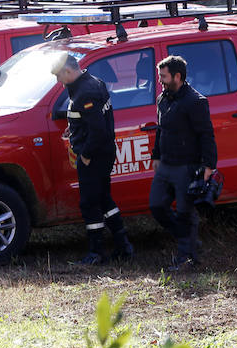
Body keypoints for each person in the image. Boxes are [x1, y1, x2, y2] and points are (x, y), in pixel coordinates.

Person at [51, 52, 133, 265]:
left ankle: (97, 252)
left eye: (59, 76)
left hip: (94, 155)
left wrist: (85, 154)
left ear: (68, 71)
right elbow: (91, 120)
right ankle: (123, 245)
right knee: (104, 198)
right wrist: (74, 128)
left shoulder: (84, 92)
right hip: (102, 152)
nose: (58, 81)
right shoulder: (93, 82)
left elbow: (98, 130)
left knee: (89, 202)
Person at [149, 55, 217, 271]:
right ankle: (187, 240)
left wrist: (208, 166)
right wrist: (156, 156)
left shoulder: (196, 102)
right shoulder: (163, 99)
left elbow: (206, 135)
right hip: (166, 165)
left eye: (164, 77)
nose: (160, 81)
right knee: (157, 205)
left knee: (184, 212)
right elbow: (161, 130)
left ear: (177, 76)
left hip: (186, 167)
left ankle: (186, 258)